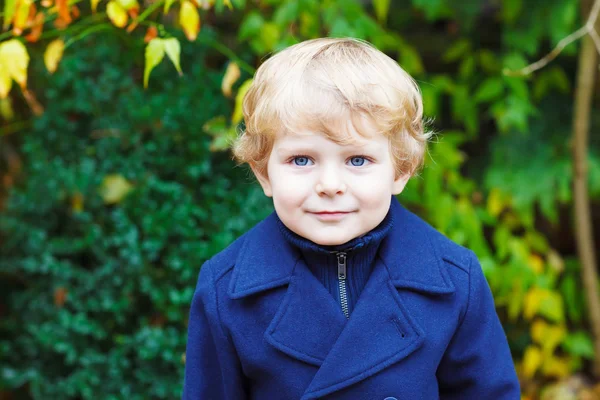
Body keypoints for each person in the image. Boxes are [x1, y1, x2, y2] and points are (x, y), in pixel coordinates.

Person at [182, 37, 520, 399]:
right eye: (302, 160)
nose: (330, 185)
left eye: (357, 160)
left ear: (400, 170)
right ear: (264, 173)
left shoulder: (454, 280)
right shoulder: (227, 291)